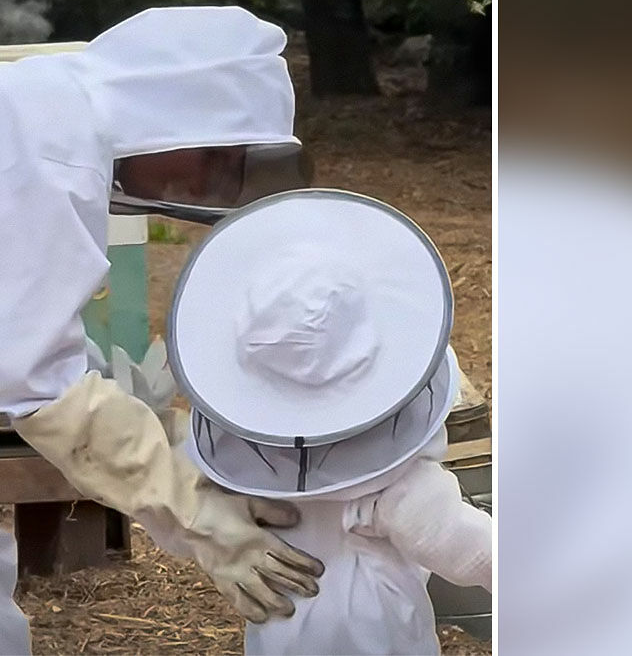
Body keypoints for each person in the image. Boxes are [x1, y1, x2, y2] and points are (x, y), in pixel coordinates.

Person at [0, 7, 324, 654]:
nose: (198, 186)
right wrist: (193, 509)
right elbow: (43, 389)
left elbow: (28, 341)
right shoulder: (56, 141)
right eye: (214, 158)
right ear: (178, 111)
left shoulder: (39, 109)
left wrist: (181, 465)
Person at [167, 192, 493, 655]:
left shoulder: (243, 474)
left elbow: (178, 517)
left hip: (279, 630)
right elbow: (465, 547)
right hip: (383, 636)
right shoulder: (394, 490)